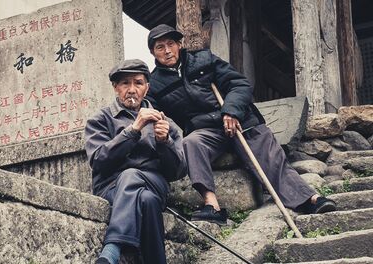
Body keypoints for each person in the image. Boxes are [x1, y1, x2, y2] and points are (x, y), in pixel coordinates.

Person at [145, 24, 336, 225]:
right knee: (191, 143)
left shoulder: (203, 59)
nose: (167, 50)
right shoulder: (154, 83)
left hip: (239, 120)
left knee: (267, 154)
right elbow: (154, 114)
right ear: (152, 52)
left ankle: (309, 199)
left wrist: (231, 111)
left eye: (171, 44)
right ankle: (212, 206)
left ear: (178, 44)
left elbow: (239, 84)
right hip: (204, 130)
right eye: (160, 47)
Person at [85, 59, 187, 264]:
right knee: (147, 200)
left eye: (138, 83)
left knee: (132, 176)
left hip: (155, 182)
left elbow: (179, 171)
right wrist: (133, 130)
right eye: (125, 83)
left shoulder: (165, 122)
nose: (132, 89)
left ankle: (112, 247)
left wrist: (165, 142)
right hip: (111, 188)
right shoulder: (100, 119)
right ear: (116, 87)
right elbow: (98, 161)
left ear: (146, 88)